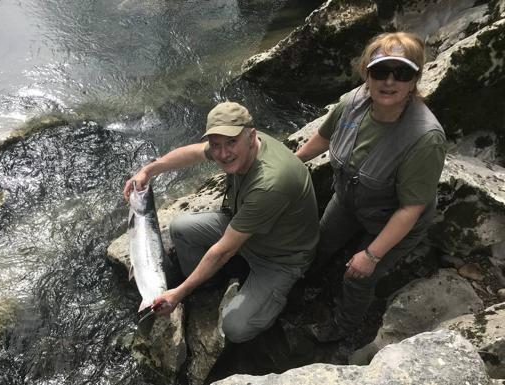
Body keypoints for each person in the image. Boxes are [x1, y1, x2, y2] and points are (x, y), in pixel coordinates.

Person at [123, 101, 319, 343]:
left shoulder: (270, 183)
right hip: (247, 230)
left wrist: (179, 293)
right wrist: (148, 171)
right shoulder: (242, 140)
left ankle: (274, 299)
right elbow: (193, 153)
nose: (224, 154)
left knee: (235, 327)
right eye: (216, 145)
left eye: (231, 143)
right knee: (180, 229)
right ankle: (212, 282)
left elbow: (223, 251)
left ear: (251, 136)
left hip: (280, 258)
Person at [296, 32, 446, 342]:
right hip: (351, 199)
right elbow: (322, 139)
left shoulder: (424, 138)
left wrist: (372, 255)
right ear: (367, 72)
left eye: (402, 72)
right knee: (321, 242)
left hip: (395, 217)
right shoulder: (353, 103)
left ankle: (344, 328)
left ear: (415, 79)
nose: (389, 81)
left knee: (357, 277)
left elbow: (410, 209)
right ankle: (306, 286)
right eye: (380, 71)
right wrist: (289, 166)